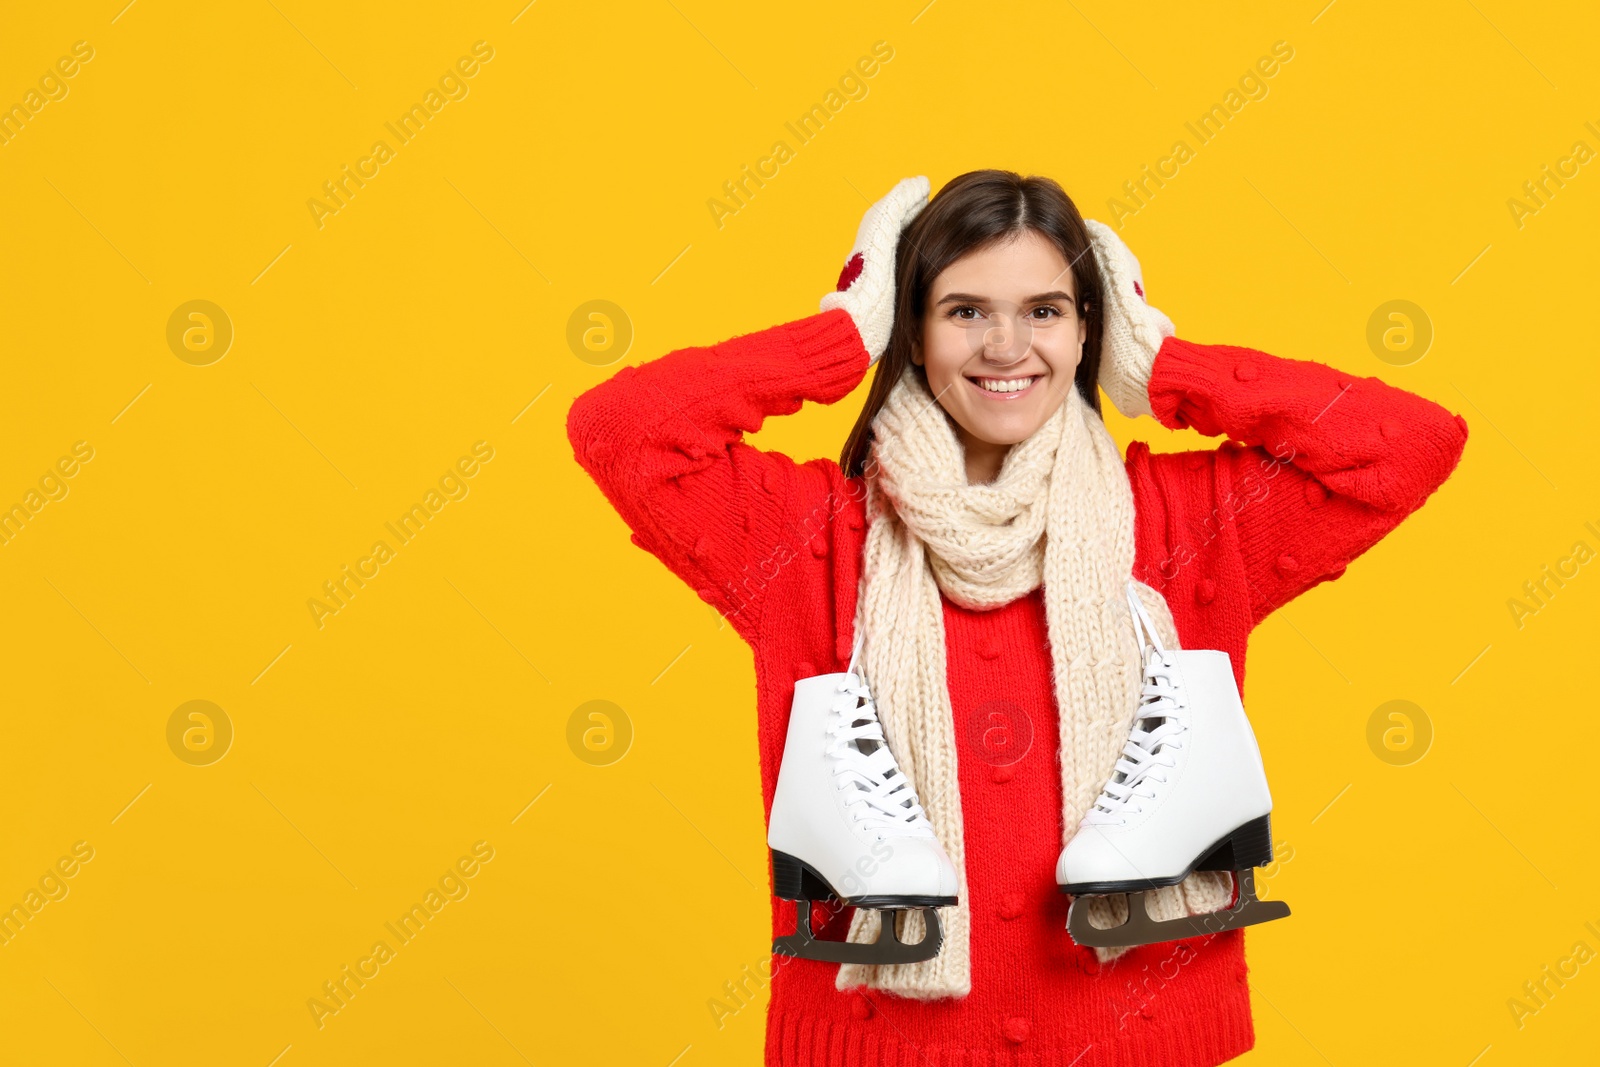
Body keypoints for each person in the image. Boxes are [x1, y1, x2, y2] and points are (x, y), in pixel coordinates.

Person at [566, 170, 1469, 1066]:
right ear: (911, 331)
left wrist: (1162, 366)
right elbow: (619, 431)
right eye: (964, 311)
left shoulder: (1185, 525)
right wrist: (840, 337)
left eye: (1045, 311)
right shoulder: (810, 539)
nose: (1007, 346)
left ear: (1088, 331)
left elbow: (1409, 446)